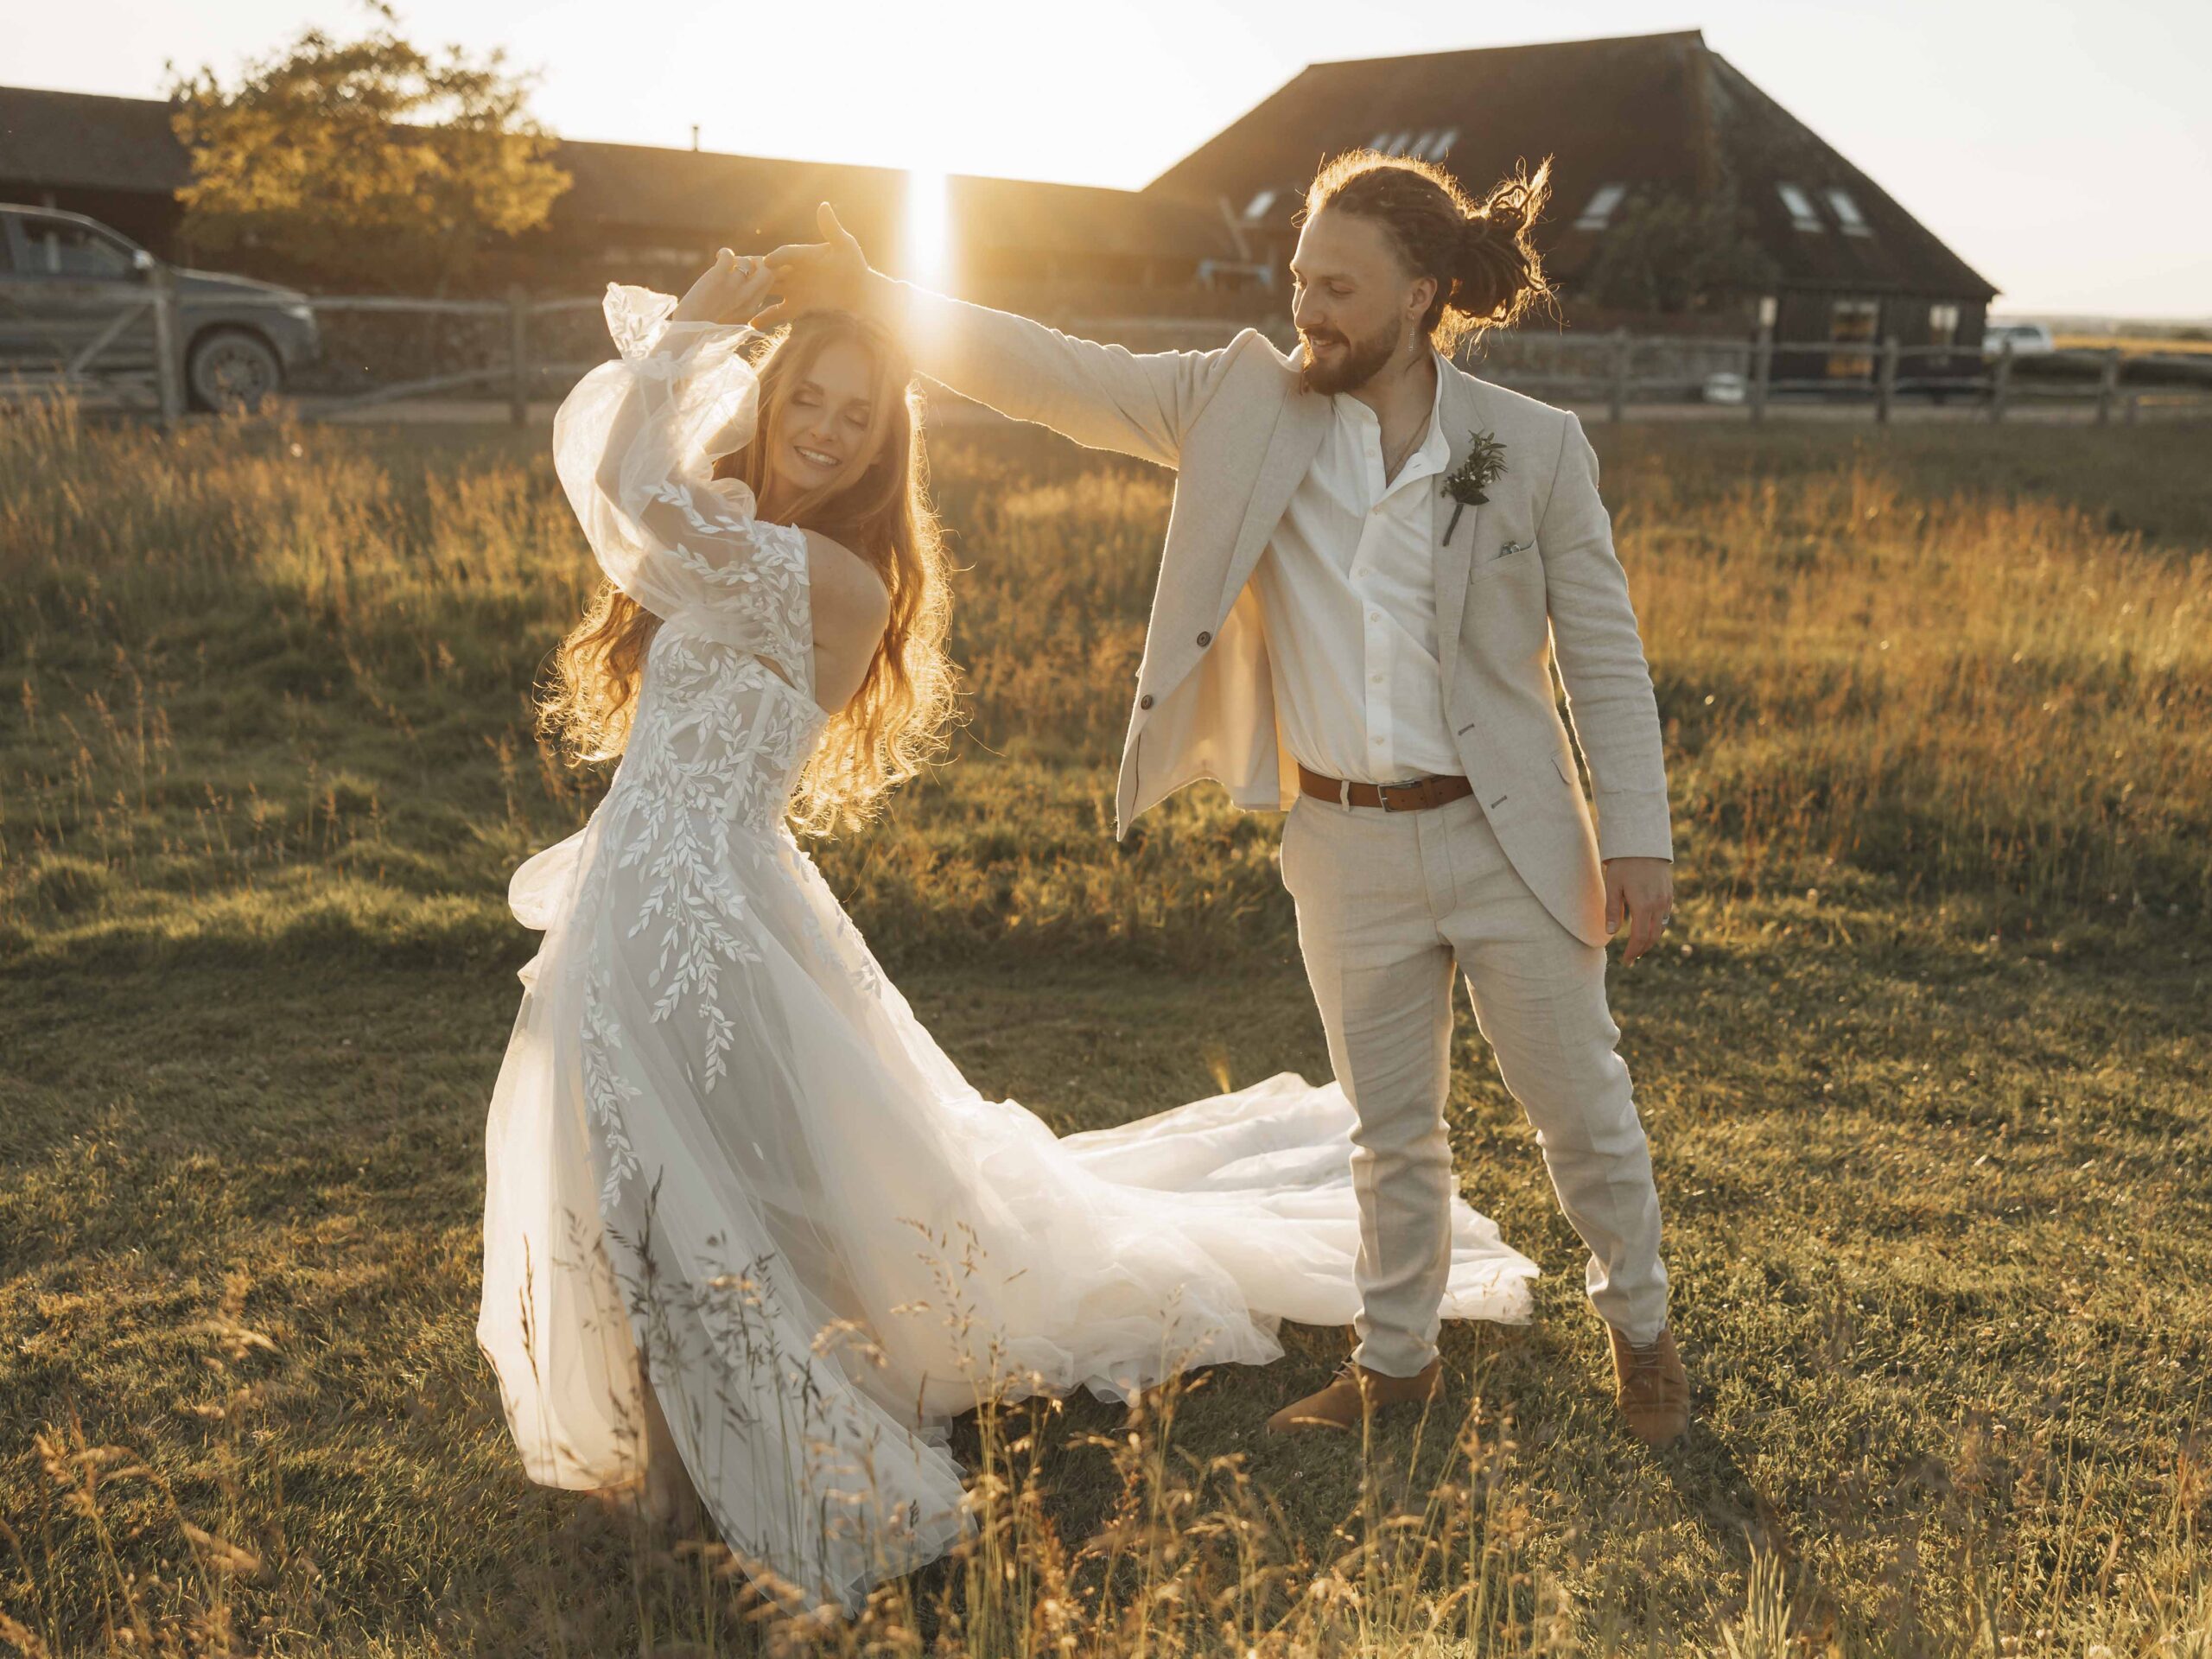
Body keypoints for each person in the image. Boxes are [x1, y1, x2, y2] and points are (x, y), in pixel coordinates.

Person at [474, 247, 1540, 1615]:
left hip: (699, 914)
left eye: (856, 416)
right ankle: (665, 1440)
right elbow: (647, 495)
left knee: (678, 1177)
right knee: (634, 1165)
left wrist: (691, 331)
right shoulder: (730, 520)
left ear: (880, 450)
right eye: (810, 394)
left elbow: (625, 493)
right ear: (776, 390)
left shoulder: (831, 581)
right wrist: (699, 349)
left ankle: (712, 1467)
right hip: (647, 892)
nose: (823, 426)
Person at [754, 145, 1692, 1445]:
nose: (1306, 306)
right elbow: (1056, 374)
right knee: (1389, 1132)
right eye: (1299, 277)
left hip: (1510, 838)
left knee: (1579, 1111)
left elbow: (1603, 648)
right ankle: (1398, 1364)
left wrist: (1636, 836)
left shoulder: (1533, 451)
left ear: (1422, 293)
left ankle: (1642, 1335)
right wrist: (886, 292)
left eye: (1339, 287)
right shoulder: (1238, 403)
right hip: (1343, 843)